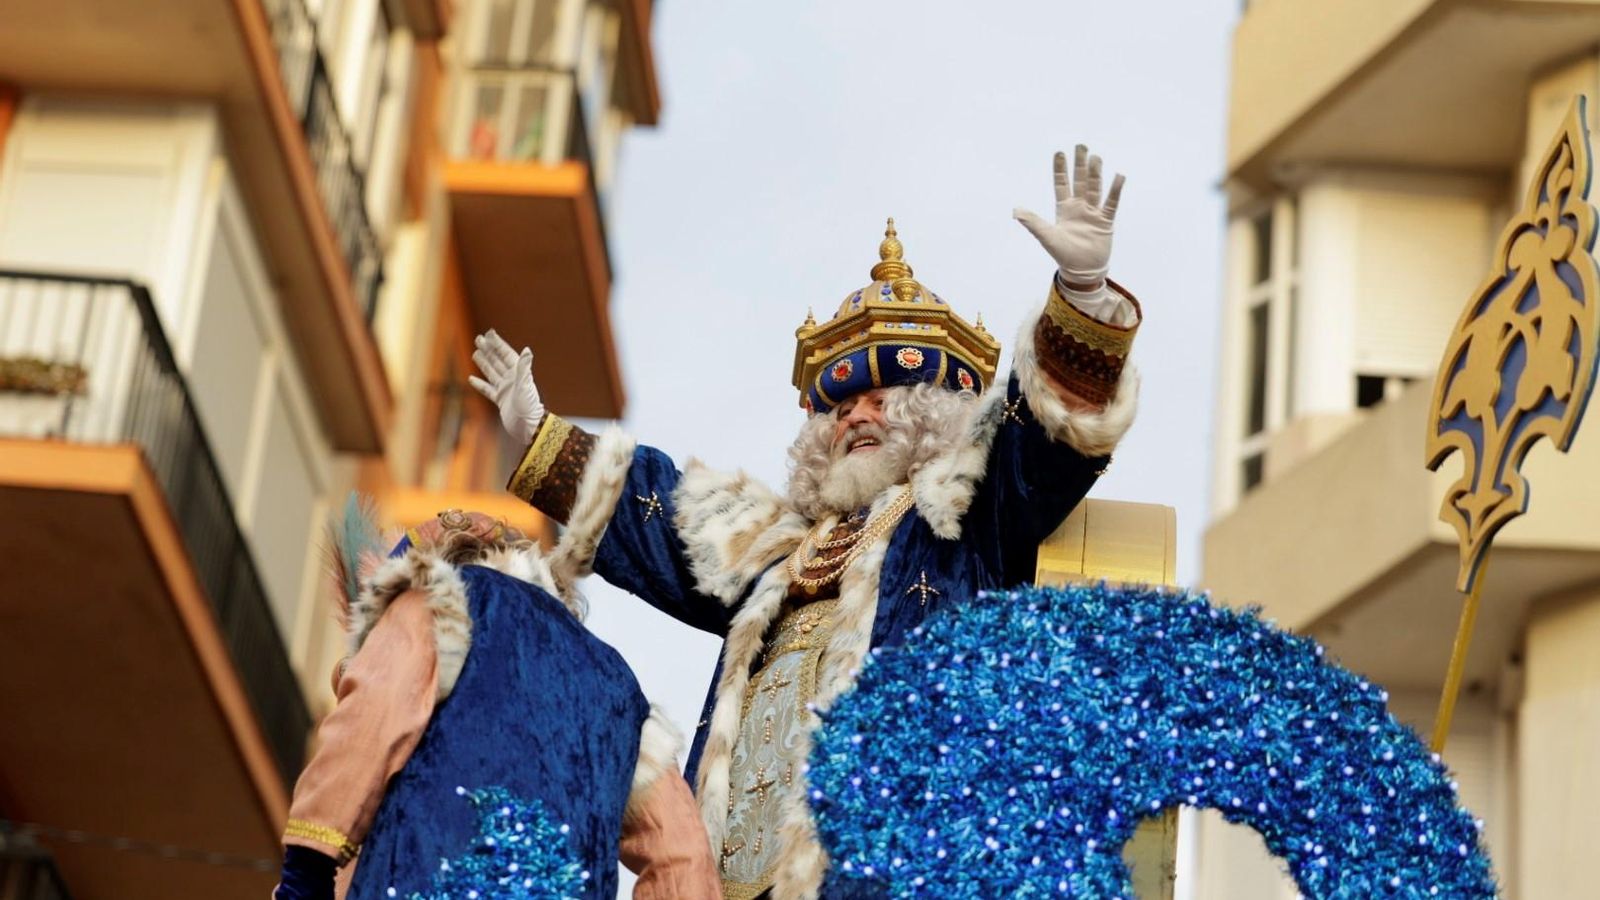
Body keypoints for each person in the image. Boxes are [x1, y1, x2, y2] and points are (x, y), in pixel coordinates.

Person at [471, 146, 1143, 899]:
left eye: (879, 395)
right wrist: (537, 430)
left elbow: (1039, 443)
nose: (855, 413)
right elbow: (659, 512)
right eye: (840, 404)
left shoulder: (961, 512)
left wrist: (1082, 296)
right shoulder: (775, 545)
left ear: (930, 410)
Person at [271, 508, 719, 899]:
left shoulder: (442, 597)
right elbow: (682, 855)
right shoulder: (618, 685)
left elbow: (369, 723)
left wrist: (306, 868)